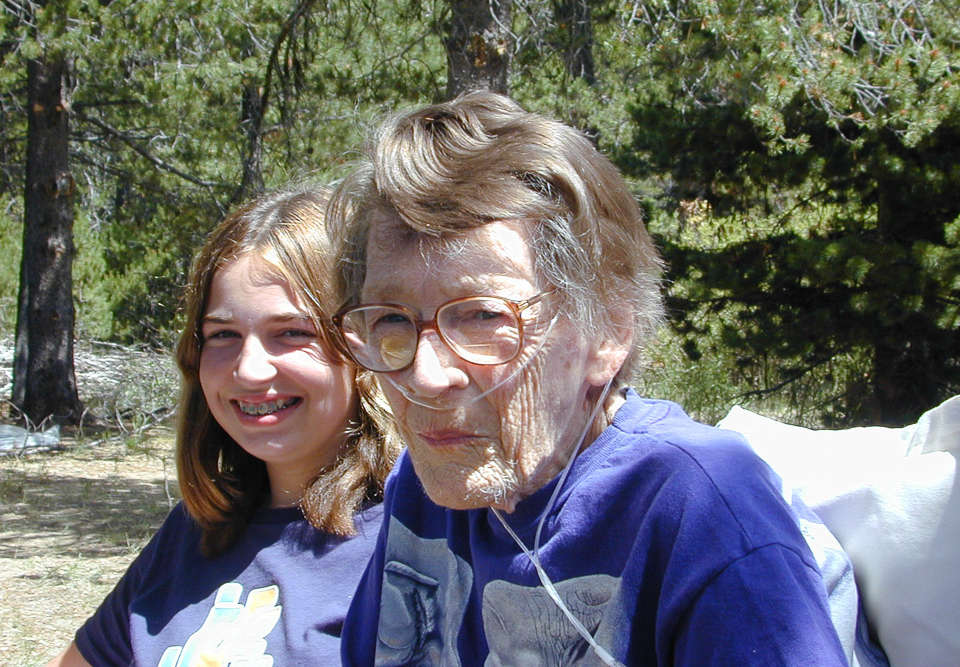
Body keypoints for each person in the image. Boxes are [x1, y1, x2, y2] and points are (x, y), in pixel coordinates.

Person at [328, 91, 861, 666]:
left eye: (483, 316)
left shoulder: (699, 509)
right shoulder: (425, 484)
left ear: (607, 331)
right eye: (388, 318)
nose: (425, 377)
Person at [45, 186, 402, 667]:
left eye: (293, 332)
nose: (250, 370)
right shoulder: (195, 532)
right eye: (223, 335)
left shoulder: (412, 540)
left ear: (364, 347)